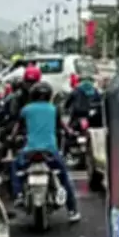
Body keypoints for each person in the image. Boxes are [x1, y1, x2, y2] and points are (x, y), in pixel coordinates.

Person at [8, 82, 81, 222]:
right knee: (64, 177)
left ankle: (18, 195)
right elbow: (64, 127)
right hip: (50, 152)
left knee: (15, 167)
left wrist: (11, 138)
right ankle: (72, 210)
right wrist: (72, 133)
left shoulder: (26, 110)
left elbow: (16, 129)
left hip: (29, 152)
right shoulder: (54, 109)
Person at [0, 65, 42, 186]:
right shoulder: (18, 97)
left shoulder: (29, 97)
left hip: (29, 130)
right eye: (29, 82)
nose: (30, 86)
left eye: (33, 82)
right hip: (24, 130)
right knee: (3, 149)